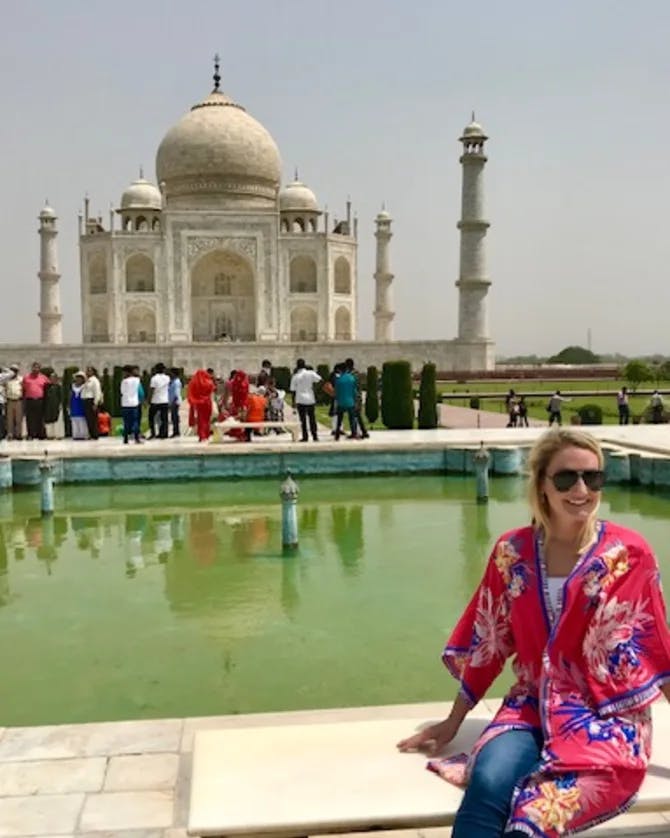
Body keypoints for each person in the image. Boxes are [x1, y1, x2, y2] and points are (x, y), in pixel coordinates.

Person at [397, 428, 670, 838]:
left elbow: (658, 648)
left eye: (592, 478)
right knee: (488, 784)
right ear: (542, 485)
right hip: (529, 704)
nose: (581, 489)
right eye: (566, 479)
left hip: (607, 718)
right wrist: (453, 722)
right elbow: (489, 643)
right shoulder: (514, 553)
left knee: (536, 816)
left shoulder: (629, 554)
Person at [290, 358, 321, 442]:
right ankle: (315, 436)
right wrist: (315, 390)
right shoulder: (310, 373)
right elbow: (320, 380)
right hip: (310, 398)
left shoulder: (295, 376)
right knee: (312, 418)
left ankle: (305, 436)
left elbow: (293, 391)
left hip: (300, 399)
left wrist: (293, 403)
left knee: (303, 419)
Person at [23, 361, 50, 440]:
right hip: (29, 400)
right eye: (34, 367)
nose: (35, 369)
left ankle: (40, 434)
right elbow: (23, 389)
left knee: (40, 417)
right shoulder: (26, 377)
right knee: (30, 418)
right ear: (32, 368)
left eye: (37, 368)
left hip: (40, 400)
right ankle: (31, 434)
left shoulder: (43, 377)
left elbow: (49, 385)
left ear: (39, 369)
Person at [187, 369, 215, 442]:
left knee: (200, 420)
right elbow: (212, 391)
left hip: (199, 403)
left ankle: (202, 436)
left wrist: (193, 401)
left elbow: (190, 392)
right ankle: (206, 435)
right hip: (207, 403)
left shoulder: (194, 383)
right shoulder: (209, 382)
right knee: (207, 420)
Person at [334, 363, 358, 440]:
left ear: (340, 370)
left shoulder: (338, 380)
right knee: (352, 419)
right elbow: (354, 391)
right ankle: (354, 433)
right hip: (350, 401)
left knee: (339, 420)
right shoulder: (352, 378)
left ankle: (337, 434)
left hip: (341, 401)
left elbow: (337, 392)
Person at [120, 365, 142, 444]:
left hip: (126, 403)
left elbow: (122, 391)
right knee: (135, 421)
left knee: (126, 422)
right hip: (134, 403)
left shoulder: (124, 381)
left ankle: (125, 438)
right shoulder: (137, 380)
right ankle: (136, 438)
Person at [148, 363, 170, 439]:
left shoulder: (154, 378)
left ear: (156, 369)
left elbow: (152, 390)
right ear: (164, 369)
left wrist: (149, 399)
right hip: (164, 400)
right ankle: (164, 433)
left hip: (155, 401)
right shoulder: (167, 378)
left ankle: (153, 433)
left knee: (151, 418)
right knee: (164, 418)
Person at [4, 365, 23, 440]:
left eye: (15, 370)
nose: (14, 372)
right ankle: (10, 434)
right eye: (12, 370)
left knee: (18, 418)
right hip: (9, 400)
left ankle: (18, 434)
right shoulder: (7, 380)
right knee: (9, 419)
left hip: (18, 400)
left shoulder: (20, 379)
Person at [43, 370, 63, 439]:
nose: (52, 379)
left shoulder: (58, 387)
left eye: (54, 378)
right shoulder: (46, 387)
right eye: (51, 378)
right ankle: (50, 435)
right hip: (48, 406)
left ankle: (57, 434)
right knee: (49, 421)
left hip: (56, 405)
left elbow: (61, 396)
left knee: (56, 420)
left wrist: (60, 405)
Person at [69, 372, 88, 440]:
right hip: (74, 406)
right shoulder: (72, 387)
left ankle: (83, 435)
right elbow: (70, 397)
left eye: (80, 379)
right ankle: (76, 435)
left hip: (81, 406)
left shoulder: (84, 387)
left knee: (82, 421)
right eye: (77, 378)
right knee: (74, 421)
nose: (78, 380)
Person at [168, 368, 182, 437]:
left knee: (174, 417)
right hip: (173, 401)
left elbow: (176, 393)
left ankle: (176, 432)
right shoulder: (173, 381)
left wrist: (172, 402)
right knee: (174, 417)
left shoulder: (176, 382)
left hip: (175, 402)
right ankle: (176, 431)